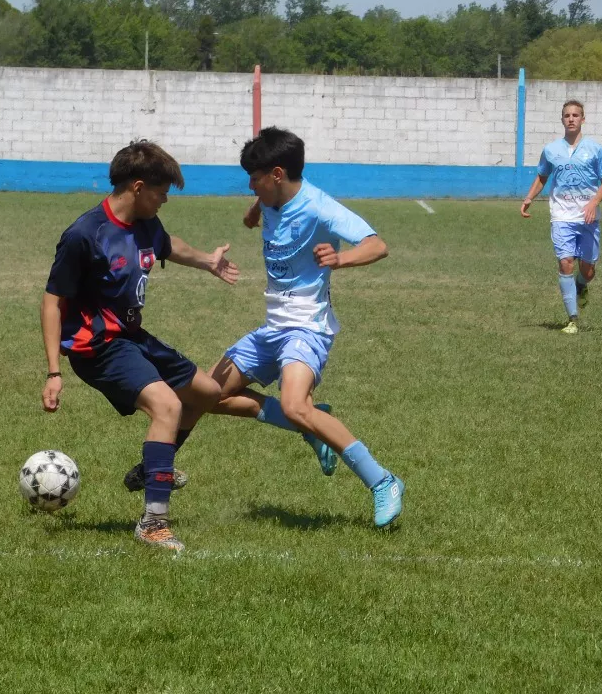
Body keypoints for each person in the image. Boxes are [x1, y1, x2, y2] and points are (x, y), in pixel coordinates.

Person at [134, 126, 404, 528]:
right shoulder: (270, 198)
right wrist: (254, 211)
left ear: (277, 174)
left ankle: (383, 481)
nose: (250, 185)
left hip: (307, 328)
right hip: (272, 327)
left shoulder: (319, 206)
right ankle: (311, 425)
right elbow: (258, 214)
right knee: (205, 395)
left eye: (255, 178)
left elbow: (377, 245)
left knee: (296, 405)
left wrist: (339, 259)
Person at [40, 140, 239, 553]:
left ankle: (151, 469)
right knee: (167, 406)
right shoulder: (84, 235)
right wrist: (54, 373)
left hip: (132, 336)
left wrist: (207, 260)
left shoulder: (147, 223)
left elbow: (168, 245)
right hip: (96, 346)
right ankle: (153, 523)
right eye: (161, 190)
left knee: (206, 393)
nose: (166, 198)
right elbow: (52, 302)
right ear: (137, 186)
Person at [520, 100, 602, 334]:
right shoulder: (551, 150)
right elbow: (542, 176)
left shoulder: (595, 150)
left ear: (583, 119)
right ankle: (572, 319)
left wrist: (593, 202)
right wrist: (529, 197)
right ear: (562, 119)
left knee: (588, 270)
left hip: (588, 218)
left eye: (575, 115)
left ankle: (582, 286)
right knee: (565, 262)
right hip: (561, 215)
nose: (571, 119)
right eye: (567, 115)